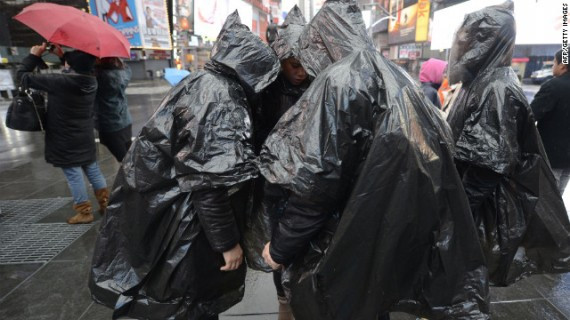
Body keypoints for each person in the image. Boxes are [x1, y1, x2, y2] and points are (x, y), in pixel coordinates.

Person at [259, 1, 489, 319]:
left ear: (322, 41)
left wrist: (281, 246)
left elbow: (318, 182)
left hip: (343, 240)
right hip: (381, 231)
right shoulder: (393, 75)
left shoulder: (340, 82)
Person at [89, 12, 280, 319]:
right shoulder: (218, 97)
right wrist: (228, 243)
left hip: (171, 214)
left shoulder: (205, 84)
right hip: (187, 228)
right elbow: (209, 184)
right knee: (189, 304)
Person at [446, 2, 570, 286]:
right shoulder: (483, 82)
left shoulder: (497, 89)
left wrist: (456, 214)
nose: (460, 46)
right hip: (471, 207)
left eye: (467, 38)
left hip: (479, 212)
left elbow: (487, 165)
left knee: (465, 280)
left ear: (484, 42)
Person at [248, 5, 308, 320]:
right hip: (275, 183)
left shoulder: (320, 86)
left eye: (305, 65)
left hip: (309, 182)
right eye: (294, 65)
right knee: (279, 246)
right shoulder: (267, 91)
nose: (301, 73)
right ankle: (284, 300)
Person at [17, 43, 108, 224]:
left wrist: (33, 56)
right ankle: (106, 204)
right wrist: (63, 56)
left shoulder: (60, 82)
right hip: (84, 135)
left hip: (64, 137)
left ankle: (84, 212)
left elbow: (22, 77)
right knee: (93, 169)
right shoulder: (91, 80)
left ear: (70, 66)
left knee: (73, 174)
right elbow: (77, 69)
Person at [531, 50, 570, 199]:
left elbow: (531, 115)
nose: (553, 66)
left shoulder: (554, 86)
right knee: (557, 198)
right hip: (567, 159)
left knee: (544, 200)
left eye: (554, 62)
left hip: (551, 156)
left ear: (562, 65)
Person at [94, 57, 133, 162]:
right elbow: (127, 68)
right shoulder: (124, 73)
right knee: (129, 157)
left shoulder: (99, 77)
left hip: (110, 125)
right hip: (125, 120)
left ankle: (138, 177)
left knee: (126, 162)